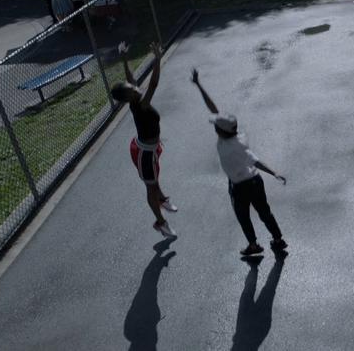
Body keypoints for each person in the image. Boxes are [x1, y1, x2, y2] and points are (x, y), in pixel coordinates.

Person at [191, 68, 289, 256]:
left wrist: (274, 172)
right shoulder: (235, 134)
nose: (214, 126)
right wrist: (198, 85)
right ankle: (278, 239)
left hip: (241, 186)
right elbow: (214, 109)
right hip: (255, 182)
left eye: (216, 126)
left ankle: (253, 245)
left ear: (221, 131)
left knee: (243, 217)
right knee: (264, 212)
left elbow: (255, 160)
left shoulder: (232, 147)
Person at [110, 42, 178, 238]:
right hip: (145, 153)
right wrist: (157, 58)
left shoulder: (134, 98)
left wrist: (123, 56)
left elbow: (130, 78)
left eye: (133, 87)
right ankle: (160, 222)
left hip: (150, 147)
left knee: (154, 178)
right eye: (132, 90)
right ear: (129, 97)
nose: (136, 88)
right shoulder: (141, 103)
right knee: (150, 186)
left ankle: (162, 198)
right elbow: (154, 84)